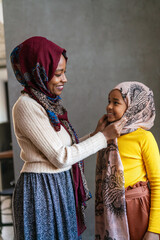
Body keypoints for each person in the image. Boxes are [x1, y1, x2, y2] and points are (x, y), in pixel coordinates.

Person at [10, 36, 126, 240]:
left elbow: (63, 149)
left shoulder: (46, 104)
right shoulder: (27, 105)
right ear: (40, 72)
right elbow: (61, 157)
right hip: (41, 191)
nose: (65, 79)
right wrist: (104, 137)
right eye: (58, 73)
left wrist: (97, 134)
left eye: (64, 72)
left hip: (57, 185)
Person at [95, 81, 160, 240]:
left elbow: (158, 182)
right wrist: (98, 134)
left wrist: (154, 229)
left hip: (138, 209)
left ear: (133, 108)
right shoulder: (107, 136)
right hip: (110, 209)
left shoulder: (143, 138)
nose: (109, 106)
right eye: (108, 101)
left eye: (115, 102)